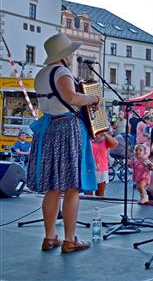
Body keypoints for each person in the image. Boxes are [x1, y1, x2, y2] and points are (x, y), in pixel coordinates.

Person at [27, 33, 99, 253]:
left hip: (49, 130)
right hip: (67, 129)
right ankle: (69, 239)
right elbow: (71, 98)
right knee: (71, 187)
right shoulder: (62, 72)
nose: (71, 57)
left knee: (52, 187)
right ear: (65, 55)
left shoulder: (41, 74)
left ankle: (49, 237)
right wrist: (93, 98)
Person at [89, 131, 118, 196]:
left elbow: (115, 144)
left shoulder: (105, 140)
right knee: (88, 194)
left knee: (100, 194)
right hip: (89, 170)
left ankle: (99, 206)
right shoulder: (88, 138)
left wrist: (105, 134)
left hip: (102, 170)